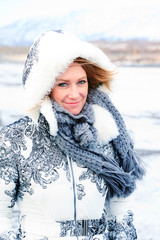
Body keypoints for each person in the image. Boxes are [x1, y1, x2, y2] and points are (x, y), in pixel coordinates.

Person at [0, 30, 145, 240]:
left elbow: (120, 210)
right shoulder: (15, 138)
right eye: (63, 84)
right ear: (44, 87)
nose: (75, 94)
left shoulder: (107, 132)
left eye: (81, 82)